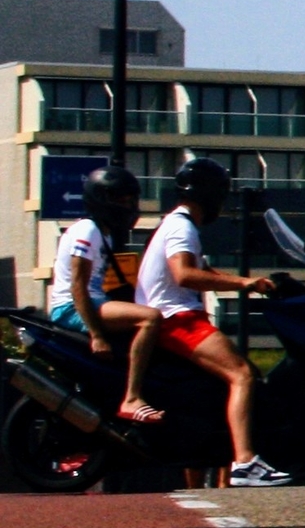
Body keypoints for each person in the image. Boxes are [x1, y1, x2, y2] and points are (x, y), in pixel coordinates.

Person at [136, 157, 292, 487]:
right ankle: (245, 462)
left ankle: (226, 450)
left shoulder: (175, 223)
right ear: (209, 195)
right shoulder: (182, 226)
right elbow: (184, 274)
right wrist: (241, 284)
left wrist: (250, 281)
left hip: (172, 315)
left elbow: (204, 272)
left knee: (226, 380)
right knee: (243, 373)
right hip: (176, 318)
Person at [48, 166, 168, 423]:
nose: (127, 206)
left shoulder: (104, 235)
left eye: (130, 200)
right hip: (72, 307)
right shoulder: (87, 230)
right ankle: (132, 397)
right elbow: (78, 285)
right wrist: (97, 335)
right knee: (150, 318)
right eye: (120, 200)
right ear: (100, 200)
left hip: (93, 302)